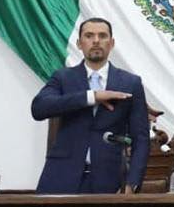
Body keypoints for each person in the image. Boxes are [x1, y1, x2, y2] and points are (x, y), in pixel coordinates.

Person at [31, 18, 150, 194]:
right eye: (89, 35)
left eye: (102, 36)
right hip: (60, 178)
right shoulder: (63, 78)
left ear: (112, 43)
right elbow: (39, 108)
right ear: (79, 43)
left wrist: (132, 184)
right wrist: (91, 96)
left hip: (109, 181)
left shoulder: (130, 83)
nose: (96, 41)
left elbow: (141, 139)